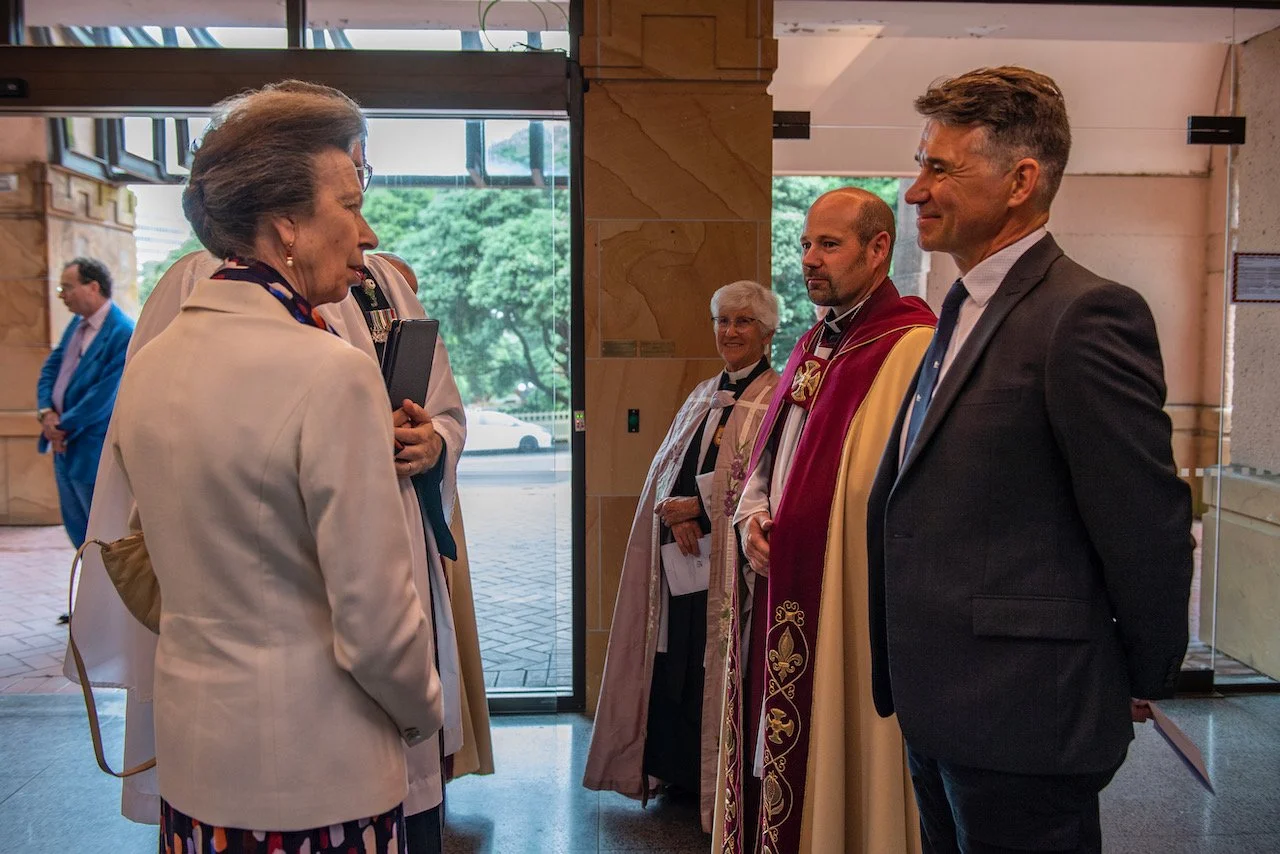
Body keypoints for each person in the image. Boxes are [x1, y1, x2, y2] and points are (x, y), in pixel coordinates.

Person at [64, 84, 488, 853]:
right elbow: (374, 623)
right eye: (349, 204)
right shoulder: (330, 372)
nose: (368, 231)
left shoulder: (153, 362)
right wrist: (423, 709)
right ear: (287, 224)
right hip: (318, 770)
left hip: (199, 757)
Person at [866, 66, 1194, 854]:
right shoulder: (960, 308)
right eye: (919, 165)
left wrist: (1138, 674)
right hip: (939, 704)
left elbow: (1144, 523)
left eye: (940, 168)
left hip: (1025, 714)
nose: (914, 191)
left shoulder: (1085, 314)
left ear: (1020, 181)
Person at [715, 188, 936, 854]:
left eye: (829, 245)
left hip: (849, 598)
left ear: (878, 248)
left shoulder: (910, 346)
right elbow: (773, 454)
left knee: (842, 741)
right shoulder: (815, 341)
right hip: (784, 578)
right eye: (806, 244)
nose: (810, 258)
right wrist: (754, 514)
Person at [584, 280, 781, 832]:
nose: (731, 332)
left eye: (743, 322)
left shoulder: (777, 398)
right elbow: (666, 468)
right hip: (681, 560)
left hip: (732, 567)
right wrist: (673, 511)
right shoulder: (702, 393)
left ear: (767, 333)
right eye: (723, 321)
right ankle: (676, 770)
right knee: (675, 663)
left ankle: (719, 778)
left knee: (718, 664)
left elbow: (770, 480)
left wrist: (701, 507)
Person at [36, 257, 133, 623]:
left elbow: (104, 397)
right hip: (64, 446)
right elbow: (50, 369)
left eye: (68, 286)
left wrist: (63, 426)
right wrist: (46, 412)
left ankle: (110, 611)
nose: (62, 294)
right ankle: (91, 605)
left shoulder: (121, 332)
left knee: (101, 532)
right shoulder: (76, 327)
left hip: (91, 448)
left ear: (93, 287)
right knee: (77, 529)